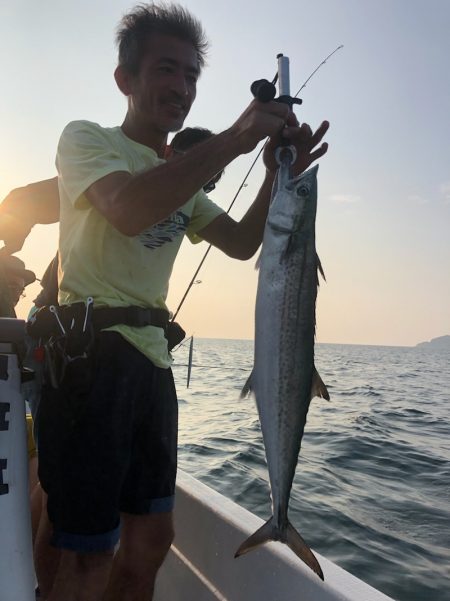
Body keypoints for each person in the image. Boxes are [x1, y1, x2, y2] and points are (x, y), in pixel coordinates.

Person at [22, 4, 329, 600]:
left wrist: (277, 171)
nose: (182, 87)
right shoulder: (87, 140)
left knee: (151, 542)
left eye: (191, 76)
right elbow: (129, 210)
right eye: (167, 70)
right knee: (86, 553)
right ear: (125, 79)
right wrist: (239, 138)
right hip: (91, 365)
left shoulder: (181, 176)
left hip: (151, 366)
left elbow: (242, 244)